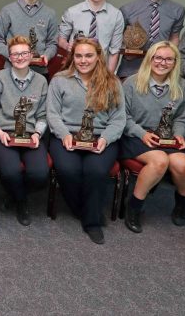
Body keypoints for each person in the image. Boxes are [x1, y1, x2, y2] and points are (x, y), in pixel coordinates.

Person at [46, 38, 126, 244]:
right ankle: (81, 208)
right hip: (66, 135)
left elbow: (119, 119)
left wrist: (106, 139)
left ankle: (92, 223)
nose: (83, 60)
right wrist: (64, 135)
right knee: (68, 170)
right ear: (73, 57)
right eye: (78, 55)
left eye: (88, 55)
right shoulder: (60, 79)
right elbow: (53, 114)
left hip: (100, 137)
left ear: (98, 56)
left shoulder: (112, 81)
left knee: (96, 171)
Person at [120, 41, 185, 233]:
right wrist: (142, 134)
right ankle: (134, 206)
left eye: (169, 59)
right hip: (136, 135)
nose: (163, 62)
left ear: (175, 62)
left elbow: (182, 117)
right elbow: (122, 117)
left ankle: (182, 205)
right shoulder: (131, 83)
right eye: (158, 57)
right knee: (159, 161)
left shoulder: (182, 86)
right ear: (150, 59)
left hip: (168, 136)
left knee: (182, 166)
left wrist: (179, 134)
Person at [0, 36, 49, 226]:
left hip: (31, 135)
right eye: (15, 54)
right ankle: (21, 201)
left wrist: (37, 134)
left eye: (24, 53)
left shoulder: (41, 81)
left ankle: (14, 195)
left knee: (40, 174)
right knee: (9, 171)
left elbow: (42, 115)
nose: (20, 57)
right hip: (5, 132)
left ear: (31, 55)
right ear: (9, 57)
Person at [116, 0, 185, 78]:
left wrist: (170, 61)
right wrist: (127, 50)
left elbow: (174, 37)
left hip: (161, 71)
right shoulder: (127, 9)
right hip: (131, 70)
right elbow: (118, 39)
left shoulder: (177, 10)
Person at [0, 0, 58, 73]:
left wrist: (47, 55)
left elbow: (53, 43)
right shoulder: (7, 11)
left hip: (39, 71)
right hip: (11, 70)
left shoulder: (50, 14)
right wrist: (12, 55)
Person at [58, 0, 124, 73]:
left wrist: (109, 76)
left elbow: (115, 50)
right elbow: (61, 40)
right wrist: (67, 45)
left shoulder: (116, 15)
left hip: (101, 70)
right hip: (75, 69)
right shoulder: (72, 12)